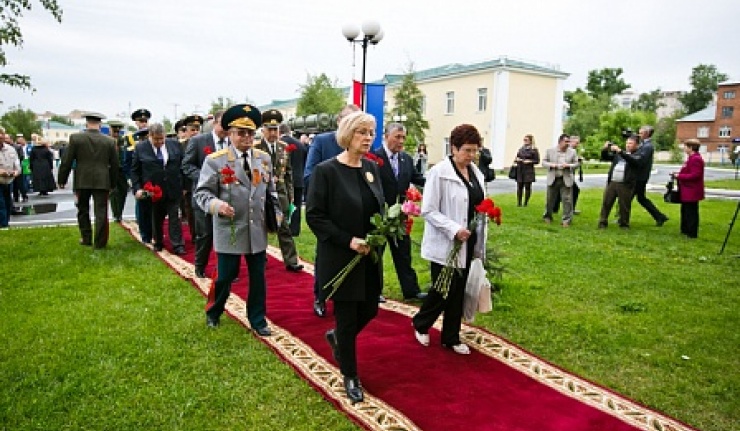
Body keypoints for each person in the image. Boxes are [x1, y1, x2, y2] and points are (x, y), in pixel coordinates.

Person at [306, 111, 384, 404]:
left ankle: (337, 337)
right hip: (341, 256)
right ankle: (350, 375)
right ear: (347, 135)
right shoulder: (326, 171)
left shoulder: (371, 168)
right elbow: (315, 216)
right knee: (348, 318)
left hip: (369, 256)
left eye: (371, 132)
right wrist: (348, 241)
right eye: (362, 132)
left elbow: (377, 207)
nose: (368, 138)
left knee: (370, 309)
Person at [194, 104, 281, 336]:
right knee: (225, 276)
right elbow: (202, 193)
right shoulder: (216, 161)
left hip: (256, 228)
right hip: (229, 227)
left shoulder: (263, 159)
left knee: (258, 277)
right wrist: (217, 206)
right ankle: (214, 312)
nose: (246, 138)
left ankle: (258, 319)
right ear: (230, 134)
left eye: (250, 133)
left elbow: (271, 191)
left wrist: (277, 216)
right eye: (241, 133)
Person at [412, 124, 486, 356]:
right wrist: (453, 229)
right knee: (443, 289)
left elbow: (478, 203)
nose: (471, 155)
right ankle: (421, 323)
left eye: (474, 150)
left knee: (458, 290)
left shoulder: (476, 173)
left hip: (469, 240)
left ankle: (451, 336)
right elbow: (428, 210)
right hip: (447, 242)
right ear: (453, 148)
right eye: (467, 150)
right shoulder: (439, 172)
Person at [303, 104, 360, 317]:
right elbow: (309, 175)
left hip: (354, 211)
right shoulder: (322, 141)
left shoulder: (363, 143)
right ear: (338, 122)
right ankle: (321, 296)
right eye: (349, 121)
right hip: (328, 209)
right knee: (326, 255)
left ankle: (349, 296)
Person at [373, 122, 427, 300]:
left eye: (403, 137)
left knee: (404, 254)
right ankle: (374, 291)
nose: (401, 141)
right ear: (386, 136)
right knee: (376, 255)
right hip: (380, 216)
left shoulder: (406, 159)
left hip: (400, 217)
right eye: (397, 137)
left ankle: (411, 291)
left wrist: (437, 182)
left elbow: (418, 178)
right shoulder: (373, 158)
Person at [57, 112, 119, 248]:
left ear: (86, 123)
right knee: (101, 211)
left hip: (82, 179)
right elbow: (115, 165)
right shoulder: (109, 141)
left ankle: (86, 238)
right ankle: (100, 242)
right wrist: (113, 183)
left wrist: (62, 179)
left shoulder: (76, 138)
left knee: (82, 209)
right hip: (102, 180)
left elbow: (67, 161)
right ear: (100, 124)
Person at [182, 110, 228, 278]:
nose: (226, 128)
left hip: (226, 196)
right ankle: (200, 266)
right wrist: (205, 177)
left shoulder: (232, 142)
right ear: (214, 123)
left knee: (226, 234)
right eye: (223, 124)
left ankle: (226, 268)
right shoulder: (198, 141)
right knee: (205, 234)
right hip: (204, 196)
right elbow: (187, 165)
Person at [256, 109, 303, 272]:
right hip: (261, 194)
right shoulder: (256, 148)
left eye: (275, 129)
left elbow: (288, 173)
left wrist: (290, 195)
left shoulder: (283, 147)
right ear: (263, 130)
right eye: (269, 129)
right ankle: (260, 259)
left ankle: (291, 261)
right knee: (260, 228)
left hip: (280, 194)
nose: (273, 133)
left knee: (284, 228)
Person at [131, 123, 186, 255]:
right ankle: (158, 242)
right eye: (156, 139)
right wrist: (137, 188)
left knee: (174, 216)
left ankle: (178, 245)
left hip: (173, 187)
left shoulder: (175, 145)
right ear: (150, 136)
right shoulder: (141, 148)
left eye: (162, 139)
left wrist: (185, 186)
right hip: (153, 191)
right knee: (156, 217)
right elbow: (135, 171)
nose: (160, 142)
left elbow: (183, 166)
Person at [597, 135, 642, 229]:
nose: (628, 145)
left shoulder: (638, 155)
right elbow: (605, 157)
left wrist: (620, 151)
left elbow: (633, 161)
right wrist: (605, 149)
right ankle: (602, 222)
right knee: (607, 202)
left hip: (625, 183)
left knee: (624, 204)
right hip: (613, 182)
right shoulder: (619, 155)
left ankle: (624, 223)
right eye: (627, 143)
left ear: (637, 145)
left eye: (630, 143)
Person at [633, 125, 669, 226]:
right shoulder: (644, 144)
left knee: (630, 197)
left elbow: (641, 160)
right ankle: (659, 216)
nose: (639, 135)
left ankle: (622, 218)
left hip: (640, 177)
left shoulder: (647, 146)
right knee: (640, 198)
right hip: (641, 176)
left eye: (641, 133)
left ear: (647, 134)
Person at [127, 109, 153, 243]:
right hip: (139, 178)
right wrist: (129, 179)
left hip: (152, 178)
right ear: (136, 122)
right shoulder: (131, 139)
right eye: (140, 121)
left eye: (145, 121)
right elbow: (128, 162)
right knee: (141, 206)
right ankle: (144, 232)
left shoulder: (153, 136)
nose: (143, 123)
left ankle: (152, 231)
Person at [542, 134, 579, 227]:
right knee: (550, 199)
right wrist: (552, 165)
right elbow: (543, 162)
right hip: (553, 178)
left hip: (566, 178)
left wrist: (568, 166)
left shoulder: (573, 152)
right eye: (566, 141)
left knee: (567, 200)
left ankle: (566, 220)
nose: (568, 143)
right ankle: (547, 216)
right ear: (560, 141)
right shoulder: (550, 151)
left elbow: (577, 164)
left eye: (569, 142)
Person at [673, 139, 705, 238]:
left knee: (691, 211)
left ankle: (691, 233)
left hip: (692, 190)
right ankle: (685, 230)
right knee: (685, 210)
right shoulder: (691, 158)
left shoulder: (696, 159)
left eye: (685, 146)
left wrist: (679, 176)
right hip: (687, 189)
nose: (684, 148)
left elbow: (695, 175)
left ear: (691, 148)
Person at [179, 114, 203, 243]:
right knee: (191, 212)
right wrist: (182, 186)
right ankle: (195, 236)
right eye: (192, 129)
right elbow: (180, 167)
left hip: (203, 183)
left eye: (197, 129)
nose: (195, 132)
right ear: (186, 130)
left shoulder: (204, 143)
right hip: (188, 185)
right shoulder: (181, 146)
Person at [279, 123, 306, 237]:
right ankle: (295, 229)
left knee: (284, 204)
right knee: (297, 205)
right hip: (299, 178)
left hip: (285, 180)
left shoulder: (280, 144)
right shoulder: (300, 144)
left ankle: (284, 227)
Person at [108, 120, 129, 222]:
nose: (116, 133)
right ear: (110, 130)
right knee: (113, 192)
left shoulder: (123, 141)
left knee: (123, 191)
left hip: (122, 170)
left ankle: (119, 212)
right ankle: (116, 214)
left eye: (117, 131)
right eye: (114, 131)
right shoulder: (106, 140)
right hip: (110, 170)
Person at [0, 132, 20, 227]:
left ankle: (5, 223)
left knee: (8, 203)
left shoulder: (11, 149)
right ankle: (3, 225)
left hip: (9, 181)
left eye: (2, 135)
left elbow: (17, 164)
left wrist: (16, 172)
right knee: (1, 204)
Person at [514, 134, 539, 207]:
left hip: (528, 170)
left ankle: (525, 203)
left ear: (530, 141)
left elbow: (537, 161)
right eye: (524, 140)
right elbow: (516, 158)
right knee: (519, 186)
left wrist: (529, 161)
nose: (525, 141)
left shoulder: (534, 150)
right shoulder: (521, 149)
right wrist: (517, 159)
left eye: (526, 140)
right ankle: (519, 202)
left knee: (527, 187)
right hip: (520, 169)